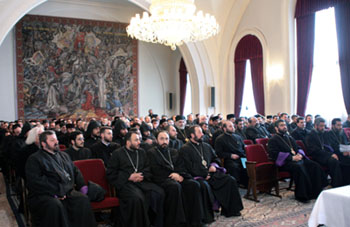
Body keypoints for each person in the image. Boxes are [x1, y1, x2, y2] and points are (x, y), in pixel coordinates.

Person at [25, 130, 96, 227]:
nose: (56, 142)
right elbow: (36, 181)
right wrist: (56, 192)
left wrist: (82, 186)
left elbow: (75, 171)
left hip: (66, 191)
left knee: (82, 199)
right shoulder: (34, 159)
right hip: (45, 194)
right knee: (55, 205)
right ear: (43, 143)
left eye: (56, 139)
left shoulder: (64, 155)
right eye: (52, 140)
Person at [180, 125, 243, 223]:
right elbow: (189, 167)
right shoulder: (185, 149)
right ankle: (207, 217)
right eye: (199, 132)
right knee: (204, 186)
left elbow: (215, 158)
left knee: (230, 180)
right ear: (192, 135)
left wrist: (214, 165)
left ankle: (231, 210)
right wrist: (205, 174)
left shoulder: (206, 146)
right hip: (198, 176)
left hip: (211, 173)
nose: (202, 134)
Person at [106, 131, 165, 227]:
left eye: (139, 140)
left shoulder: (141, 152)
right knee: (137, 198)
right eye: (136, 140)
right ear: (128, 142)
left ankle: (156, 223)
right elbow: (111, 173)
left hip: (141, 181)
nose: (139, 142)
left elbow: (147, 168)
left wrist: (140, 175)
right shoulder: (117, 154)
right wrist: (129, 176)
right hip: (126, 184)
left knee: (159, 192)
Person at [148, 131, 204, 226]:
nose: (164, 141)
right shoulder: (152, 153)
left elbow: (180, 165)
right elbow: (155, 170)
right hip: (162, 179)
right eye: (161, 139)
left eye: (166, 139)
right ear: (157, 140)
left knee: (194, 184)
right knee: (174, 186)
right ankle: (177, 222)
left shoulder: (173, 151)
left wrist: (179, 175)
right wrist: (172, 175)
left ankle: (195, 220)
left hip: (177, 177)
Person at [268, 120, 327, 202]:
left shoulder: (289, 137)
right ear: (276, 128)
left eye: (285, 125)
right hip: (285, 163)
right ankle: (302, 195)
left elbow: (298, 148)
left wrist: (300, 154)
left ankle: (316, 192)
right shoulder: (273, 139)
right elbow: (274, 154)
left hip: (297, 159)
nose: (284, 127)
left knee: (314, 165)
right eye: (281, 125)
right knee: (299, 167)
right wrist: (291, 158)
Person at [306, 117, 344, 187]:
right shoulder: (310, 135)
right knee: (333, 161)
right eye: (321, 126)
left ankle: (342, 182)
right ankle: (336, 184)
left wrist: (332, 153)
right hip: (317, 156)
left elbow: (328, 146)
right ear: (315, 126)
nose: (323, 128)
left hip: (325, 155)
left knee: (339, 158)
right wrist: (330, 155)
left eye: (324, 126)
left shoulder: (324, 133)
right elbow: (314, 150)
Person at [215, 121, 247, 186]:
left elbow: (244, 148)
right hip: (230, 159)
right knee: (234, 167)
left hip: (241, 157)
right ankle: (236, 185)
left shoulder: (238, 137)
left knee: (248, 164)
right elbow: (219, 153)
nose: (233, 128)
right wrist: (230, 155)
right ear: (224, 128)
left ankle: (246, 183)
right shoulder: (219, 139)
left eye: (233, 126)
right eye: (230, 126)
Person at [324, 118, 350, 185]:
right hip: (335, 154)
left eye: (341, 125)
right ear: (333, 125)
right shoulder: (328, 134)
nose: (340, 127)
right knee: (346, 162)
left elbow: (346, 143)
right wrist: (342, 152)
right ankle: (342, 184)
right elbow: (330, 147)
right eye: (338, 125)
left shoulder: (341, 133)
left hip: (344, 153)